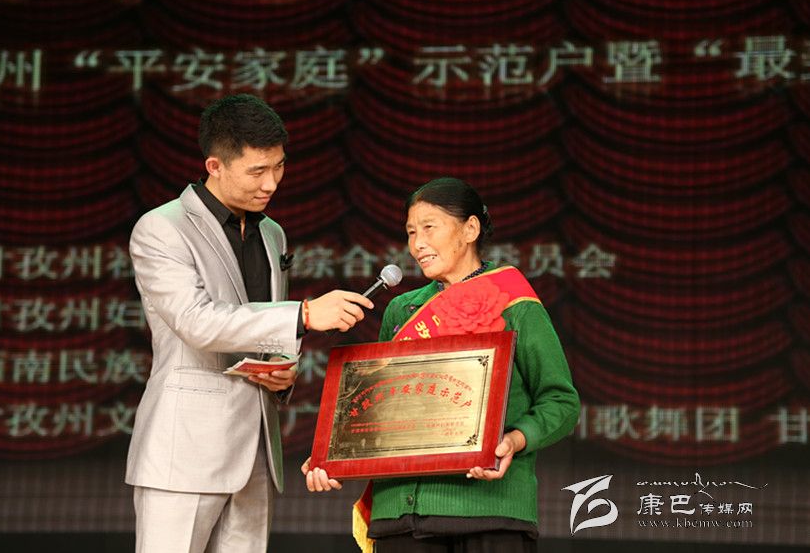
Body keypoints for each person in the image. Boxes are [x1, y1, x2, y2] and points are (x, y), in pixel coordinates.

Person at [126, 93, 374, 553]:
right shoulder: (163, 228)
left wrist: (280, 373)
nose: (271, 183)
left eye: (278, 167)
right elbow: (195, 321)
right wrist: (302, 314)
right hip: (185, 453)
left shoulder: (271, 232)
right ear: (215, 166)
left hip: (257, 453)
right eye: (257, 171)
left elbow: (260, 332)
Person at [302, 177, 580, 553]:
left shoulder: (515, 303)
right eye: (411, 232)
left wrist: (514, 439)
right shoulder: (402, 310)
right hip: (400, 514)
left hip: (489, 512)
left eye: (429, 227)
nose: (417, 243)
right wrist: (332, 453)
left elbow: (561, 401)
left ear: (470, 229)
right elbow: (380, 409)